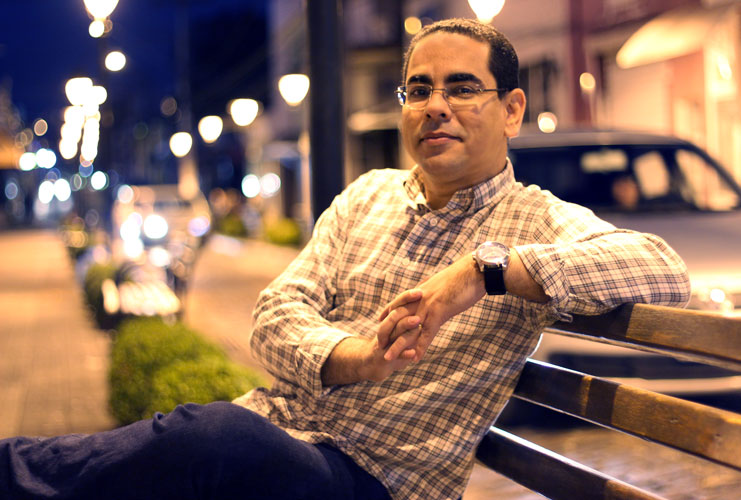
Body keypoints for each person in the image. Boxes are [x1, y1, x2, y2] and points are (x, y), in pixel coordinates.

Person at [0, 18, 690, 500]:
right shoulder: (368, 196)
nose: (435, 107)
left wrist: (481, 273)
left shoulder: (535, 218)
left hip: (376, 481)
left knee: (211, 437)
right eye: (419, 90)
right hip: (285, 440)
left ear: (512, 110)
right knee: (210, 442)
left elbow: (661, 267)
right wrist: (354, 357)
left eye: (461, 88)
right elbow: (275, 314)